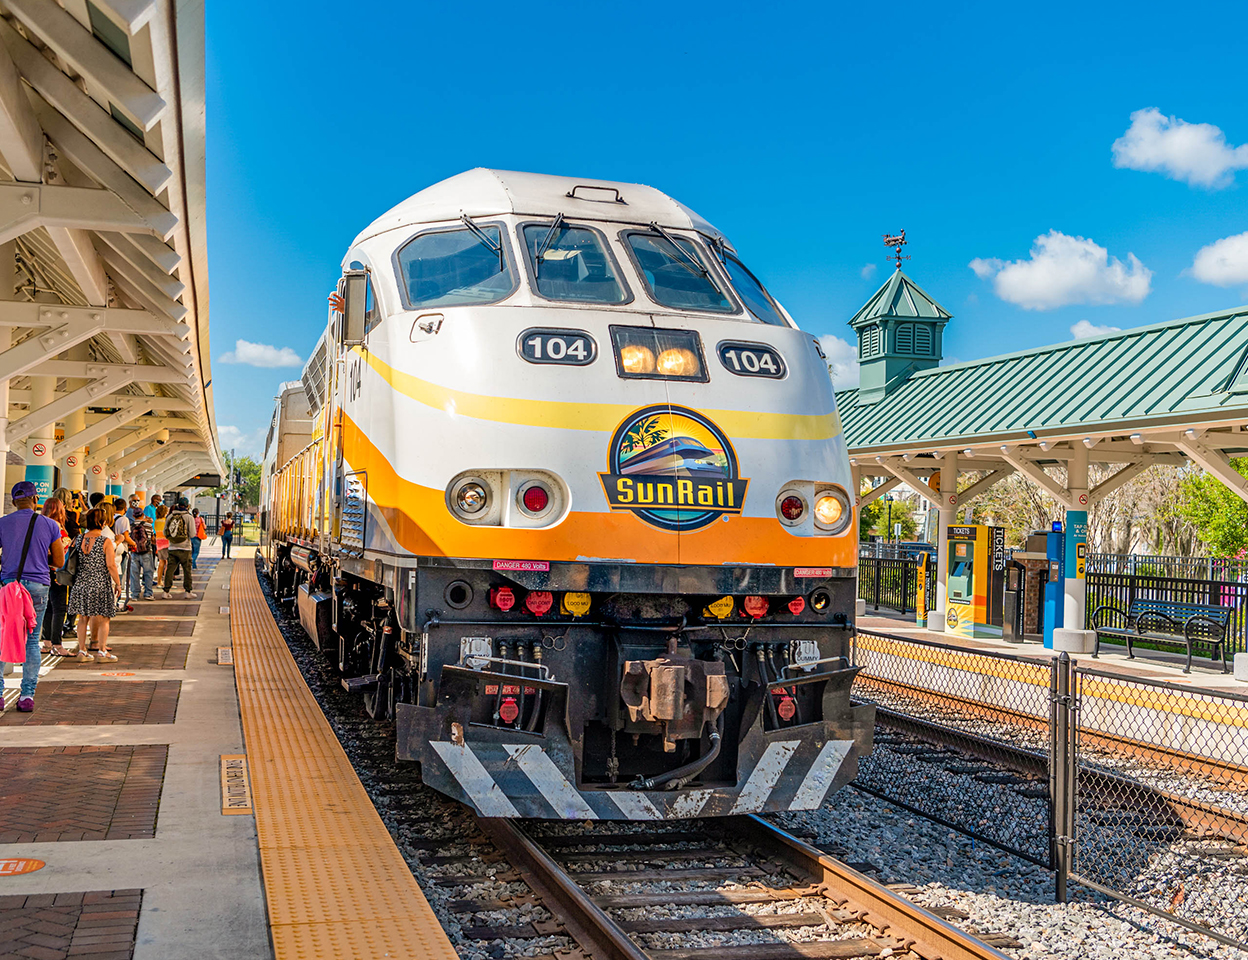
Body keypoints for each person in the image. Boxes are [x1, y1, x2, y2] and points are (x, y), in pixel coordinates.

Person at [0, 481, 66, 711]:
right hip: (38, 585)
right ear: (35, 499)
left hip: (9, 586)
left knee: (3, 636)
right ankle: (27, 696)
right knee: (31, 641)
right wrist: (39, 561)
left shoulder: (2, 523)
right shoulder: (49, 524)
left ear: (13, 501)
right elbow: (59, 562)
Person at [67, 507, 121, 662]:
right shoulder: (105, 541)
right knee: (104, 618)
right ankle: (102, 651)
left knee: (83, 618)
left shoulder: (78, 539)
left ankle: (82, 650)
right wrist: (118, 583)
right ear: (102, 522)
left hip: (81, 583)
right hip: (100, 583)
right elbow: (111, 565)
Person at [39, 496, 74, 657]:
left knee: (47, 607)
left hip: (41, 570)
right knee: (59, 608)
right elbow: (61, 549)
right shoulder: (57, 527)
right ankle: (57, 644)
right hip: (57, 570)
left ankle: (46, 641)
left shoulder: (39, 525)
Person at [162, 497, 196, 599]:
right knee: (187, 571)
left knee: (170, 570)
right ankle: (188, 591)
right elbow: (193, 534)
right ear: (187, 506)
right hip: (185, 548)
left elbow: (165, 532)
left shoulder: (170, 516)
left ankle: (166, 591)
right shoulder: (189, 517)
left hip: (172, 548)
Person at [128, 505, 156, 600]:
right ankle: (148, 593)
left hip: (134, 552)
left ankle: (135, 594)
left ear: (133, 515)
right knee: (148, 573)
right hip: (147, 552)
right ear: (143, 514)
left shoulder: (130, 526)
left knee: (134, 574)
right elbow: (152, 538)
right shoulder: (148, 525)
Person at [154, 504, 169, 586]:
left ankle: (159, 581)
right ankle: (167, 582)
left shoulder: (156, 521)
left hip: (159, 543)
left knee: (161, 563)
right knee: (168, 563)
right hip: (167, 543)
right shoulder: (166, 521)